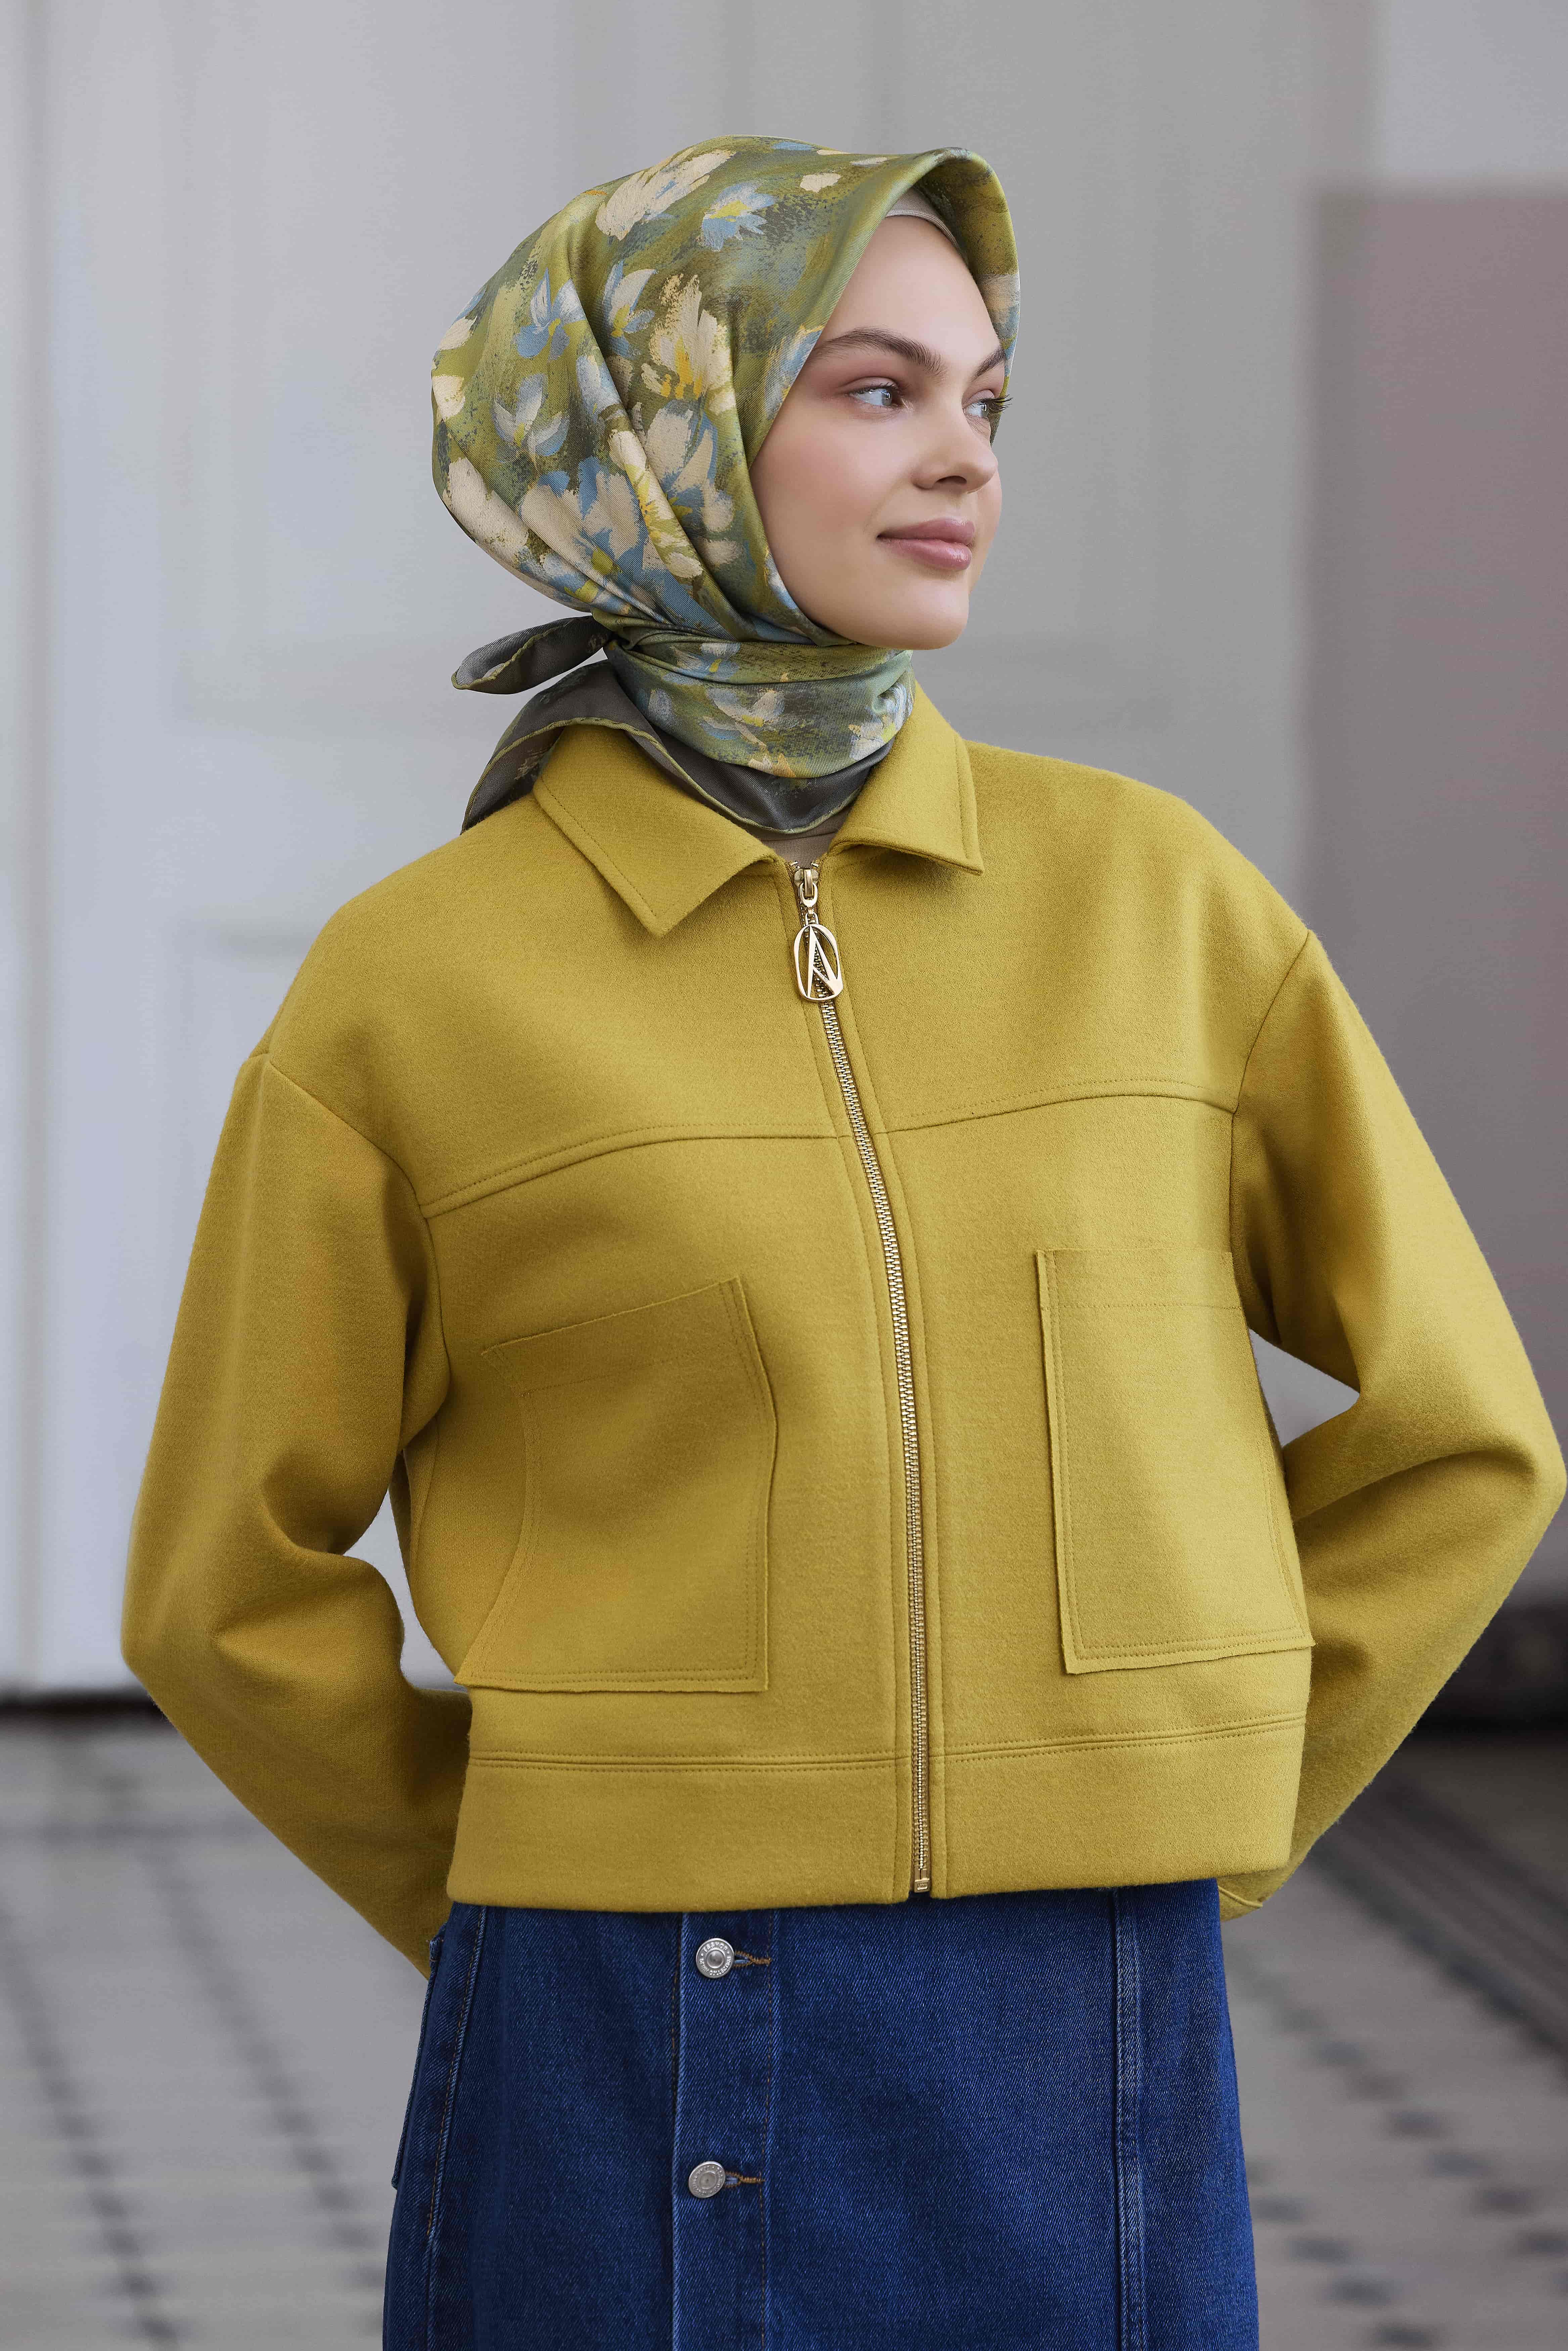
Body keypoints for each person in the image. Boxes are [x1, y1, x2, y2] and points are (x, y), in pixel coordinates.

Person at [121, 137, 1565, 2348]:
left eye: (986, 399)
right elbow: (224, 1580)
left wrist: (1199, 1781)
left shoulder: (1160, 905)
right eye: (877, 390)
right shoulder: (415, 986)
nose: (963, 458)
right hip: (607, 2020)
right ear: (658, 440)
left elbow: (1469, 1438)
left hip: (1085, 1994)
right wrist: (528, 1873)